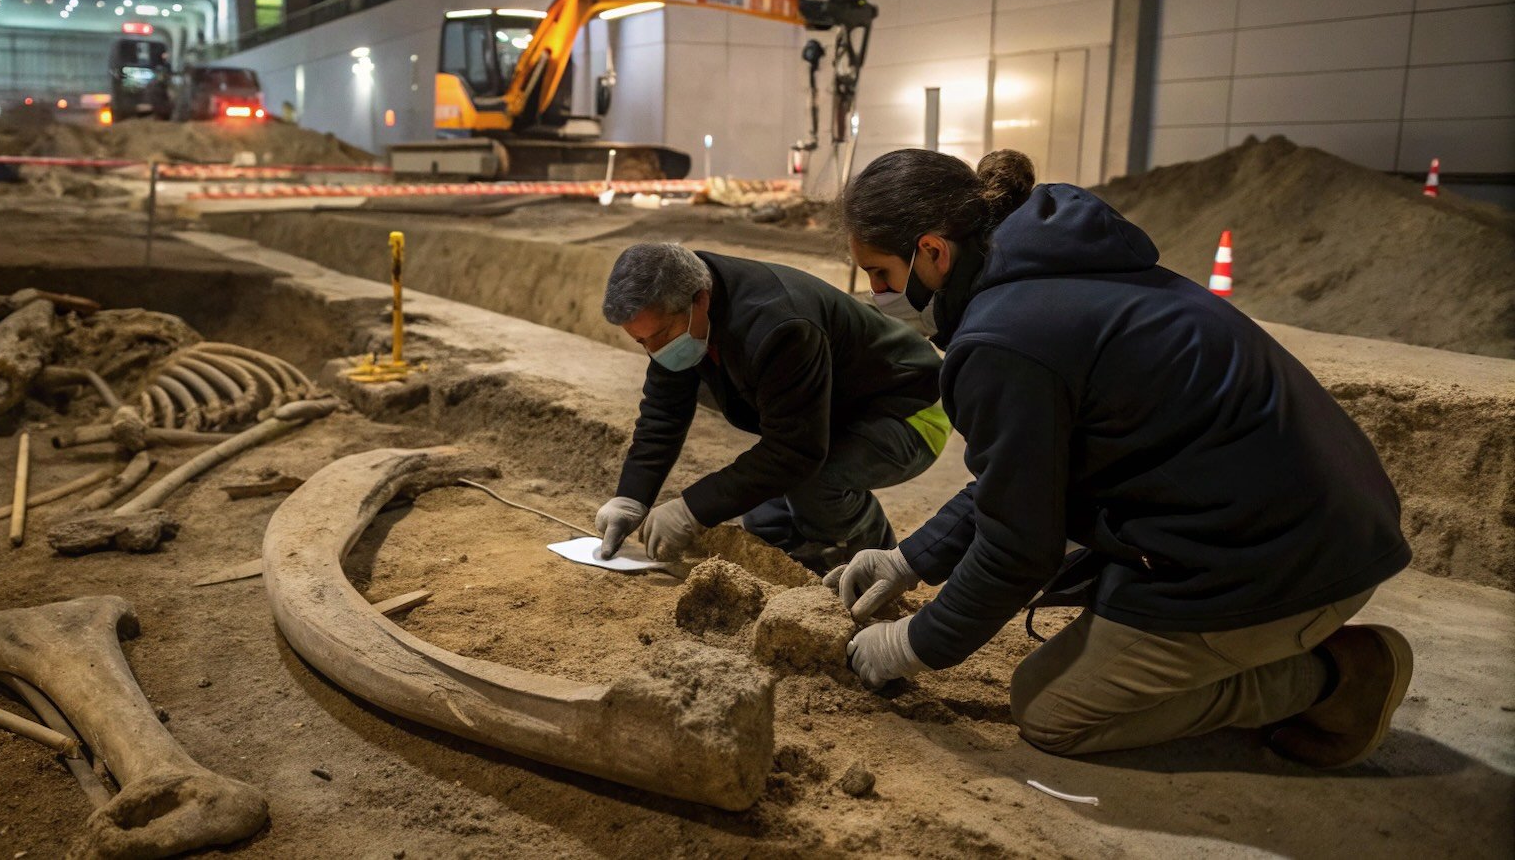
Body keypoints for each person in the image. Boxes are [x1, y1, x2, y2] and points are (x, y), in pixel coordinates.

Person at [826, 148, 1413, 768]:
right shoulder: (1056, 266)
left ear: (933, 253)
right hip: (1326, 517)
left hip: (1286, 559)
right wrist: (909, 560)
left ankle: (1337, 676)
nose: (878, 295)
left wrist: (913, 644)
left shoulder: (1005, 336)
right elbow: (1025, 476)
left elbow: (1019, 547)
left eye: (882, 276)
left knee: (1052, 711)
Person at [594, 243, 949, 572]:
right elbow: (663, 412)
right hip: (835, 411)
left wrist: (692, 509)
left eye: (659, 336)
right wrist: (631, 497)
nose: (653, 350)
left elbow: (795, 450)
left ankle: (868, 559)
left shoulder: (780, 326)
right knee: (765, 523)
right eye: (641, 341)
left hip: (908, 409)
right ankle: (808, 565)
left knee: (815, 482)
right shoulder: (682, 303)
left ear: (700, 299)